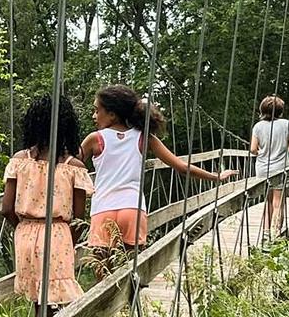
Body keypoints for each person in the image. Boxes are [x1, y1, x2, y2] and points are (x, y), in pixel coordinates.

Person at [79, 84, 235, 259]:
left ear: (112, 114)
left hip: (103, 209)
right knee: (131, 274)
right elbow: (182, 167)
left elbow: (69, 164)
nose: (94, 116)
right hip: (132, 208)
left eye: (96, 110)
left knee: (103, 274)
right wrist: (216, 177)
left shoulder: (95, 139)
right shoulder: (143, 137)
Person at [2, 94, 93, 317]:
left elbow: (6, 208)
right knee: (57, 301)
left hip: (25, 233)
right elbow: (79, 219)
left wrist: (26, 229)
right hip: (58, 234)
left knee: (38, 302)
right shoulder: (74, 166)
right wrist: (62, 238)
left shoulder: (19, 160)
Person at [250, 94, 289, 236]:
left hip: (262, 169)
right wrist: (282, 149)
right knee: (278, 203)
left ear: (262, 110)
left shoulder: (258, 126)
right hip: (280, 169)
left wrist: (264, 152)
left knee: (267, 203)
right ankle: (276, 234)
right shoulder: (287, 124)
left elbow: (253, 149)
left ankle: (265, 233)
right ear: (280, 111)